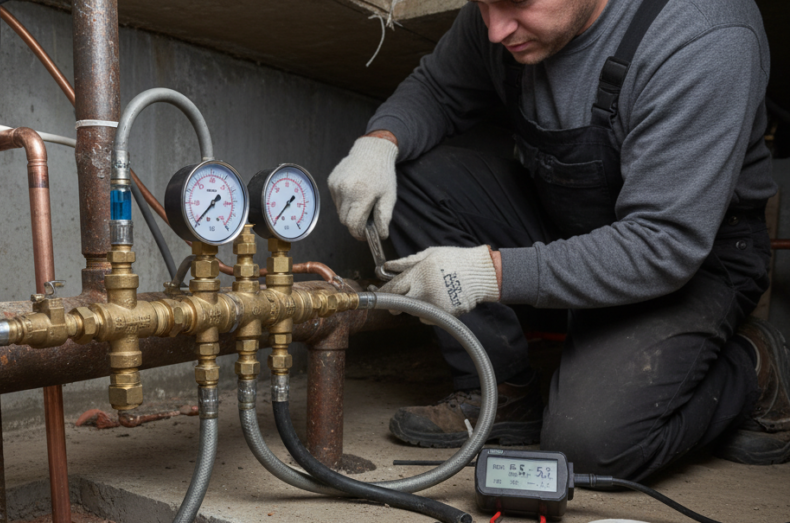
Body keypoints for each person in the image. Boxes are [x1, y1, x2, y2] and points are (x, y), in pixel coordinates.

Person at [328, 0, 789, 478]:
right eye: (484, 5)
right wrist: (379, 142)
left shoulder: (703, 33)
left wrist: (487, 273)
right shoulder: (498, 18)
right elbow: (437, 90)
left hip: (690, 257)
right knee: (404, 171)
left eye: (517, 5)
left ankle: (753, 367)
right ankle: (499, 389)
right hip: (566, 216)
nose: (495, 30)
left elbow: (664, 243)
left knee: (591, 446)